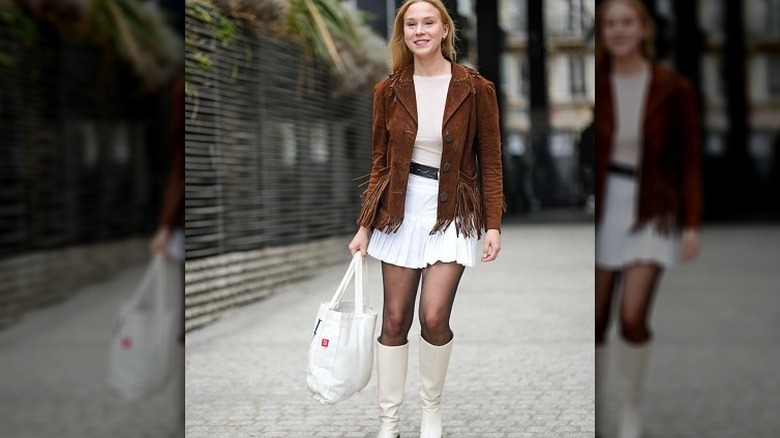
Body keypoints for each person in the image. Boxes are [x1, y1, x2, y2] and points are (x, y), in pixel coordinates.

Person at [347, 1, 503, 437]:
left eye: (427, 22)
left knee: (433, 317)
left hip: (453, 210)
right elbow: (380, 164)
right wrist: (364, 227)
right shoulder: (388, 90)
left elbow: (490, 161)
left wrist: (493, 224)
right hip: (399, 210)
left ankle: (431, 410)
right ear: (403, 34)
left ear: (443, 29)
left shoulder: (475, 88)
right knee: (395, 320)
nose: (420, 30)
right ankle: (389, 421)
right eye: (411, 24)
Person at [593, 1, 702, 437]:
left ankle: (629, 410)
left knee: (633, 316)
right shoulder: (598, 84)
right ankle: (598, 411)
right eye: (610, 24)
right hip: (605, 209)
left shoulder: (672, 87)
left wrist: (692, 223)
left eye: (626, 22)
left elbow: (690, 161)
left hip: (653, 208)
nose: (618, 30)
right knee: (596, 319)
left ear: (643, 28)